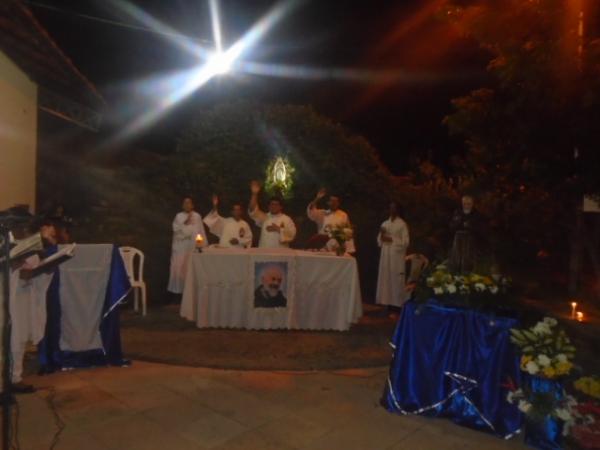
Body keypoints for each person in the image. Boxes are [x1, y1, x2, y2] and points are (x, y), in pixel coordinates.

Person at [167, 196, 207, 294]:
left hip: (192, 246)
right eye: (185, 203)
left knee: (191, 269)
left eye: (189, 203)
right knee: (180, 269)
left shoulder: (197, 216)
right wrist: (186, 223)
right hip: (181, 248)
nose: (187, 205)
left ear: (192, 205)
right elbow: (177, 230)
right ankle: (178, 295)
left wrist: (201, 245)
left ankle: (192, 293)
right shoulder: (178, 216)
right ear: (182, 205)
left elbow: (200, 231)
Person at [376, 201, 410, 308]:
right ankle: (385, 302)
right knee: (385, 277)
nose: (392, 210)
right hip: (386, 255)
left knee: (396, 278)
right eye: (390, 208)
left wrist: (391, 239)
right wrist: (382, 236)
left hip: (396, 256)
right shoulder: (385, 223)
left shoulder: (402, 224)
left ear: (398, 210)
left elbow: (406, 242)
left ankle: (397, 304)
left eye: (394, 208)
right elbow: (379, 240)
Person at [248, 181, 296, 248]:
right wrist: (254, 194)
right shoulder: (264, 217)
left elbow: (292, 235)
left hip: (281, 254)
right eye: (271, 204)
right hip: (265, 253)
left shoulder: (287, 219)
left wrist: (278, 229)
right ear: (269, 206)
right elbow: (252, 210)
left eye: (276, 204)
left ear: (281, 207)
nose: (273, 206)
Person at [307, 188, 355, 253]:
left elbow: (347, 232)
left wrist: (348, 249)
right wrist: (317, 198)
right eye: (332, 201)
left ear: (338, 203)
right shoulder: (322, 213)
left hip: (337, 248)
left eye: (335, 201)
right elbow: (311, 211)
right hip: (322, 246)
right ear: (328, 203)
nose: (333, 203)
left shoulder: (343, 215)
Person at [448, 194, 485, 273]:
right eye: (464, 204)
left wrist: (470, 226)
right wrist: (459, 223)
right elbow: (451, 226)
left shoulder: (477, 214)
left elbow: (481, 229)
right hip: (458, 241)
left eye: (469, 204)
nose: (466, 206)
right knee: (456, 260)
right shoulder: (457, 212)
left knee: (468, 262)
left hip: (470, 242)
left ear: (472, 204)